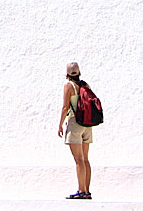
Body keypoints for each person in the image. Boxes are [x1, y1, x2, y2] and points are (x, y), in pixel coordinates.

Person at [58, 61, 92, 200]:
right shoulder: (85, 85)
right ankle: (87, 191)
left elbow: (66, 107)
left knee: (78, 160)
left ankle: (80, 191)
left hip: (75, 124)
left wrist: (60, 124)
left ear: (67, 74)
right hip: (87, 125)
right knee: (85, 159)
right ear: (79, 72)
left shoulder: (69, 86)